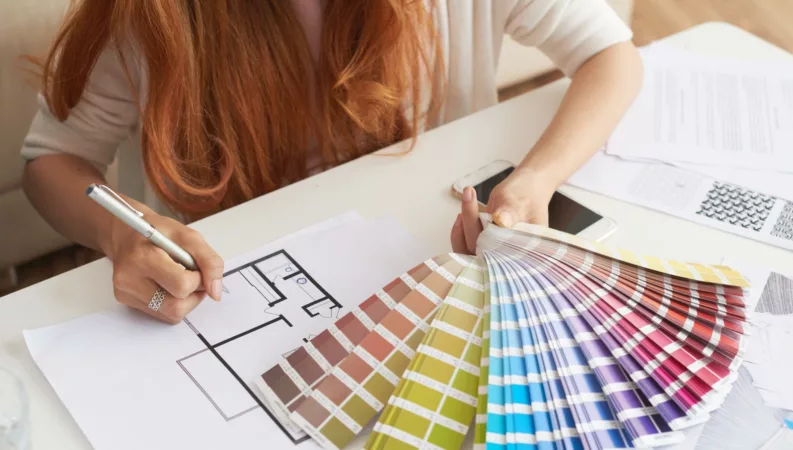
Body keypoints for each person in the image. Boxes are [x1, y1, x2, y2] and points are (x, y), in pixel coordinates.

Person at [21, 0, 643, 324]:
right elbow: (53, 160)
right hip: (227, 277)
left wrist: (535, 178)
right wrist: (119, 230)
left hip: (426, 248)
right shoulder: (151, 16)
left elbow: (611, 54)